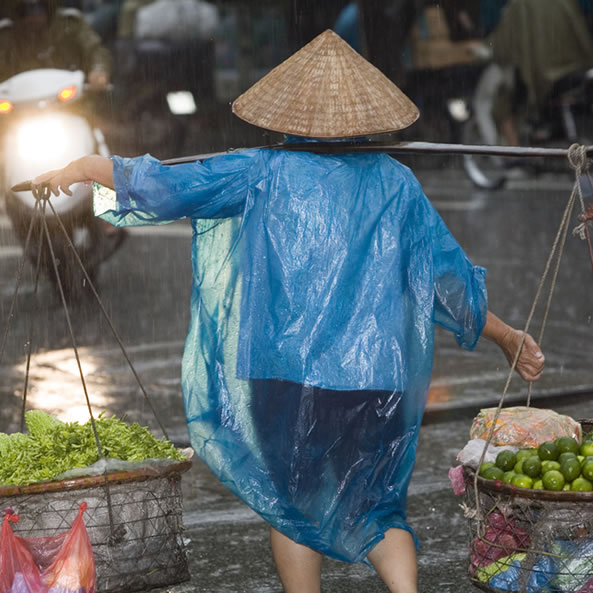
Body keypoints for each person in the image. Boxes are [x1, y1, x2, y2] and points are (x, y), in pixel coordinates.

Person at [31, 30, 545, 593]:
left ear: (286, 117)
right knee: (377, 506)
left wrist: (83, 167)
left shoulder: (257, 169)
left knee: (293, 505)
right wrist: (505, 335)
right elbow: (444, 279)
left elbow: (163, 186)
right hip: (376, 380)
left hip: (283, 375)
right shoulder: (397, 182)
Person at [0, 0, 111, 90]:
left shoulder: (70, 24)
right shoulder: (7, 35)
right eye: (25, 11)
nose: (34, 16)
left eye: (39, 9)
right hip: (22, 103)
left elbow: (95, 50)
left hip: (72, 97)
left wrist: (98, 71)